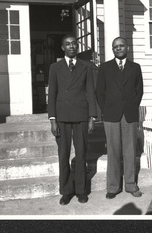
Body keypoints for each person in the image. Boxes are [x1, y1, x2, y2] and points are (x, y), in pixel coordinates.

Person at [48, 34, 97, 205]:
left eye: (74, 44)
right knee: (63, 155)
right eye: (67, 44)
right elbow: (52, 94)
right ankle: (66, 191)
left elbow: (91, 92)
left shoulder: (86, 66)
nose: (71, 47)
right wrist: (52, 119)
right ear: (63, 48)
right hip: (61, 117)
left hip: (81, 116)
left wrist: (92, 117)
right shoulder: (55, 67)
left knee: (81, 153)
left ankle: (81, 191)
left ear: (77, 46)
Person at [96, 37, 143, 199]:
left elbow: (139, 91)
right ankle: (113, 187)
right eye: (115, 46)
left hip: (129, 115)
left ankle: (131, 185)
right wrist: (106, 109)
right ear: (112, 49)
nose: (118, 48)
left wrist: (131, 105)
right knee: (113, 151)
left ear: (127, 48)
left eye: (121, 46)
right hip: (111, 115)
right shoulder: (105, 67)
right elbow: (99, 92)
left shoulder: (135, 68)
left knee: (130, 151)